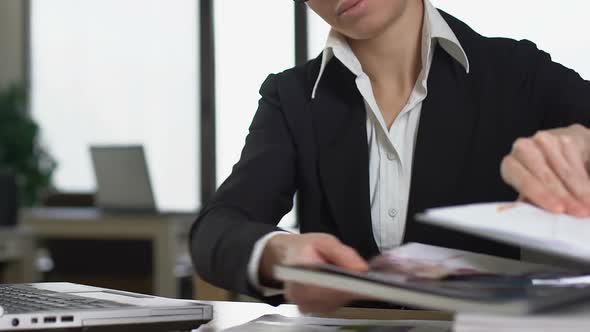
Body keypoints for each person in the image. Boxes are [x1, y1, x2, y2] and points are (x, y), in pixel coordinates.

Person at [190, 0, 590, 313]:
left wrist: (582, 143)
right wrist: (278, 253)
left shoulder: (516, 74)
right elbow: (217, 226)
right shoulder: (292, 98)